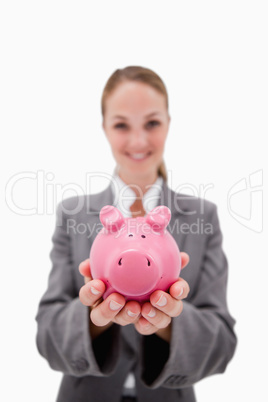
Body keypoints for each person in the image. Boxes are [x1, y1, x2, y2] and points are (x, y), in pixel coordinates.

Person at [35, 66, 237, 402]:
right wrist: (94, 319)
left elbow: (222, 344)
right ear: (104, 128)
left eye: (152, 123)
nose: (139, 141)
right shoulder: (73, 214)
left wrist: (166, 321)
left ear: (169, 123)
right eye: (121, 125)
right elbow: (46, 335)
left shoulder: (203, 216)